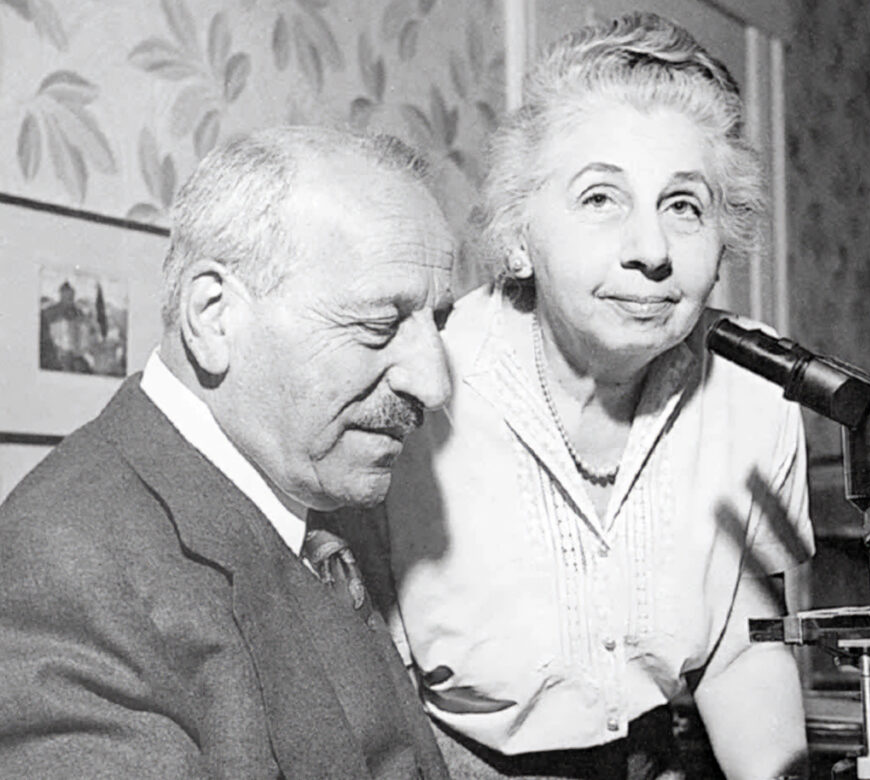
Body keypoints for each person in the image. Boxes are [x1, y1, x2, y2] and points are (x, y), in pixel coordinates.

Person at [340, 13, 815, 780]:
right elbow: (358, 687)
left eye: (684, 206)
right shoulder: (415, 388)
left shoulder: (755, 392)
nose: (652, 250)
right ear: (519, 238)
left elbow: (738, 653)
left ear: (722, 245)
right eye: (601, 199)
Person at [0, 126, 456, 778]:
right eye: (380, 325)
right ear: (214, 317)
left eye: (436, 324)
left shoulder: (306, 484)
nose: (435, 384)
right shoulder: (66, 564)